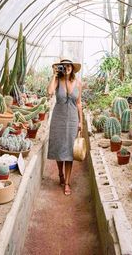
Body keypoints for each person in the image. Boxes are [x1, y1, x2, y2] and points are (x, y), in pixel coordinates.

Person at [47, 58, 83, 196]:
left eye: (69, 65)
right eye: (64, 66)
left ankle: (67, 182)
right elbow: (50, 92)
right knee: (58, 147)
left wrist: (81, 122)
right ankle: (60, 174)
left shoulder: (78, 83)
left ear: (73, 68)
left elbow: (79, 103)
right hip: (58, 118)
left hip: (73, 119)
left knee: (69, 151)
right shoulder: (57, 81)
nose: (67, 68)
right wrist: (54, 75)